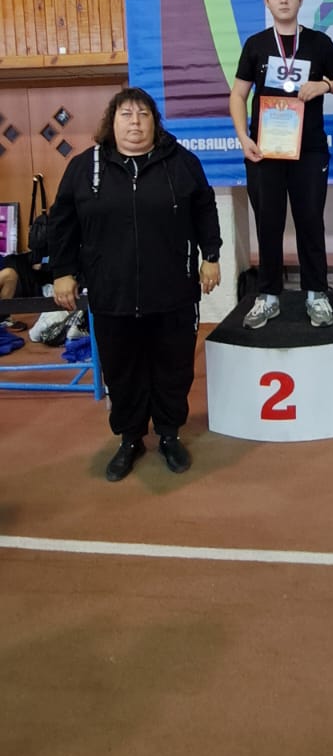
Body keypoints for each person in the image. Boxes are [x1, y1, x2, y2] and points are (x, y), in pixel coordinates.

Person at [49, 87, 222, 482]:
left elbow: (204, 208)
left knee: (173, 366)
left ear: (154, 123)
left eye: (143, 115)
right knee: (121, 369)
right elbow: (62, 223)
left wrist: (210, 256)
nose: (135, 122)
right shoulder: (84, 167)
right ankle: (130, 439)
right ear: (111, 122)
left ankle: (169, 434)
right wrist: (63, 272)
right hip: (112, 293)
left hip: (173, 291)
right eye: (126, 114)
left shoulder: (182, 163)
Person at [229, 0, 333, 330]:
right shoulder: (256, 44)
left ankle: (316, 294)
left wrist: (325, 86)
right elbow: (238, 95)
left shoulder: (318, 42)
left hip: (310, 149)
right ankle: (268, 296)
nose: (283, 0)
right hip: (265, 150)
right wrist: (244, 138)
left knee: (310, 221)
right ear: (266, 1)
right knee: (268, 223)